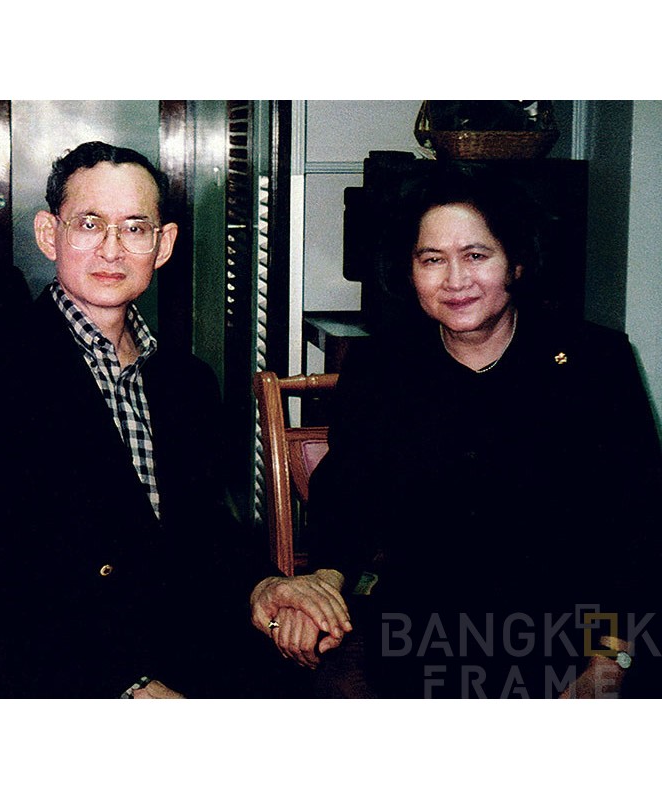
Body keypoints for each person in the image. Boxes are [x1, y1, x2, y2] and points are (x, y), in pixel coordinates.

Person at [250, 165, 662, 698]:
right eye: (431, 260)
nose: (455, 280)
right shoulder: (381, 369)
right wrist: (323, 581)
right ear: (409, 271)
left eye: (476, 255)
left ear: (517, 261)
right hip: (424, 644)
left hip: (573, 639)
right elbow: (348, 501)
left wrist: (608, 663)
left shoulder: (593, 363)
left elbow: (636, 532)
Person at [0, 141, 266, 698]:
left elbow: (206, 536)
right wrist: (124, 686)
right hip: (49, 675)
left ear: (163, 245)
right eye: (89, 223)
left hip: (178, 651)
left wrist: (264, 585)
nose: (112, 249)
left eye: (135, 228)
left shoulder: (188, 382)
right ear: (48, 234)